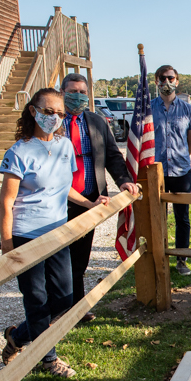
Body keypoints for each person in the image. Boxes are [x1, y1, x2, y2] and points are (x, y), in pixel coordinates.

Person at [0, 88, 109, 378]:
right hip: (27, 236)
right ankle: (48, 359)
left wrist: (90, 203)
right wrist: (7, 243)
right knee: (36, 299)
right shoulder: (19, 152)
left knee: (63, 298)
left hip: (57, 234)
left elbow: (65, 188)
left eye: (59, 113)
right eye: (48, 112)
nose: (55, 118)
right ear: (33, 111)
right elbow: (7, 202)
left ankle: (18, 336)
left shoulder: (64, 146)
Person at [61, 73, 138, 323]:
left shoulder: (96, 121)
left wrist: (124, 180)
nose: (78, 96)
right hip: (59, 201)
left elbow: (113, 156)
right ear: (62, 92)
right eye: (73, 91)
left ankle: (77, 307)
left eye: (83, 92)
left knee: (80, 257)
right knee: (59, 257)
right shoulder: (54, 121)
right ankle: (59, 309)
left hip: (91, 200)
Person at [152, 64, 191, 276]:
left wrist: (179, 156)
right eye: (163, 78)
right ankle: (159, 256)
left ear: (177, 81)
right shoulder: (148, 108)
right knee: (157, 216)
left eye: (171, 78)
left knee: (182, 218)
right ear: (156, 81)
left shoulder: (188, 110)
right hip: (156, 172)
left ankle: (182, 259)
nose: (167, 82)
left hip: (181, 171)